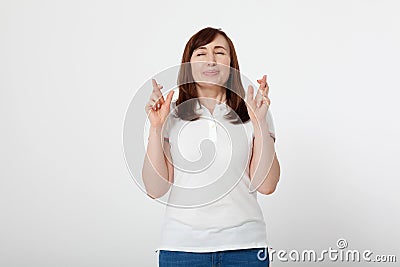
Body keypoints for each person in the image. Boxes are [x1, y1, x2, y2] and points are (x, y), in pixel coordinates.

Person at [142, 27, 280, 267]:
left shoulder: (254, 112)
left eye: (220, 52)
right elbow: (155, 189)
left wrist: (259, 125)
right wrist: (156, 128)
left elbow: (267, 185)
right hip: (181, 250)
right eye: (201, 53)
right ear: (188, 63)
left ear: (231, 63)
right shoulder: (169, 116)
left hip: (245, 249)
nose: (211, 60)